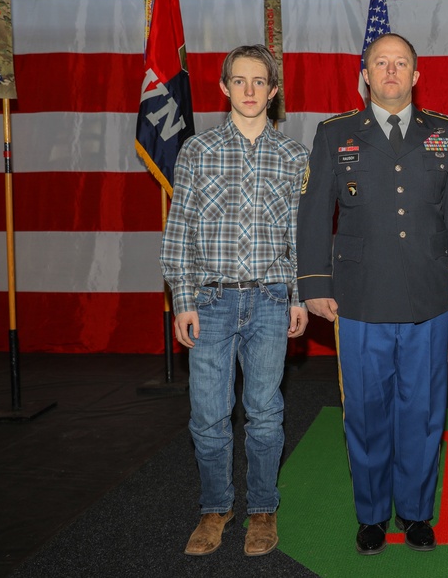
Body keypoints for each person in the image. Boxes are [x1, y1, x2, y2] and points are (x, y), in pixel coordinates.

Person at [296, 33, 448, 555]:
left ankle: (416, 513)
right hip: (360, 297)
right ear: (364, 74)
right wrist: (315, 284)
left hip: (427, 296)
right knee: (366, 411)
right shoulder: (335, 134)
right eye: (381, 63)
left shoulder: (445, 132)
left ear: (417, 75)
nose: (391, 71)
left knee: (423, 411)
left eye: (401, 64)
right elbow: (312, 214)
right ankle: (371, 515)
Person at [160, 44, 309, 558]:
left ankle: (263, 508)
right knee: (208, 413)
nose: (249, 90)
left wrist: (298, 297)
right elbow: (179, 231)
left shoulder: (294, 157)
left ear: (273, 90)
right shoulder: (197, 151)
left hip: (270, 300)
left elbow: (298, 236)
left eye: (259, 81)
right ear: (223, 88)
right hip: (210, 300)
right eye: (238, 81)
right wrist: (183, 299)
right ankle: (215, 507)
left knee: (265, 411)